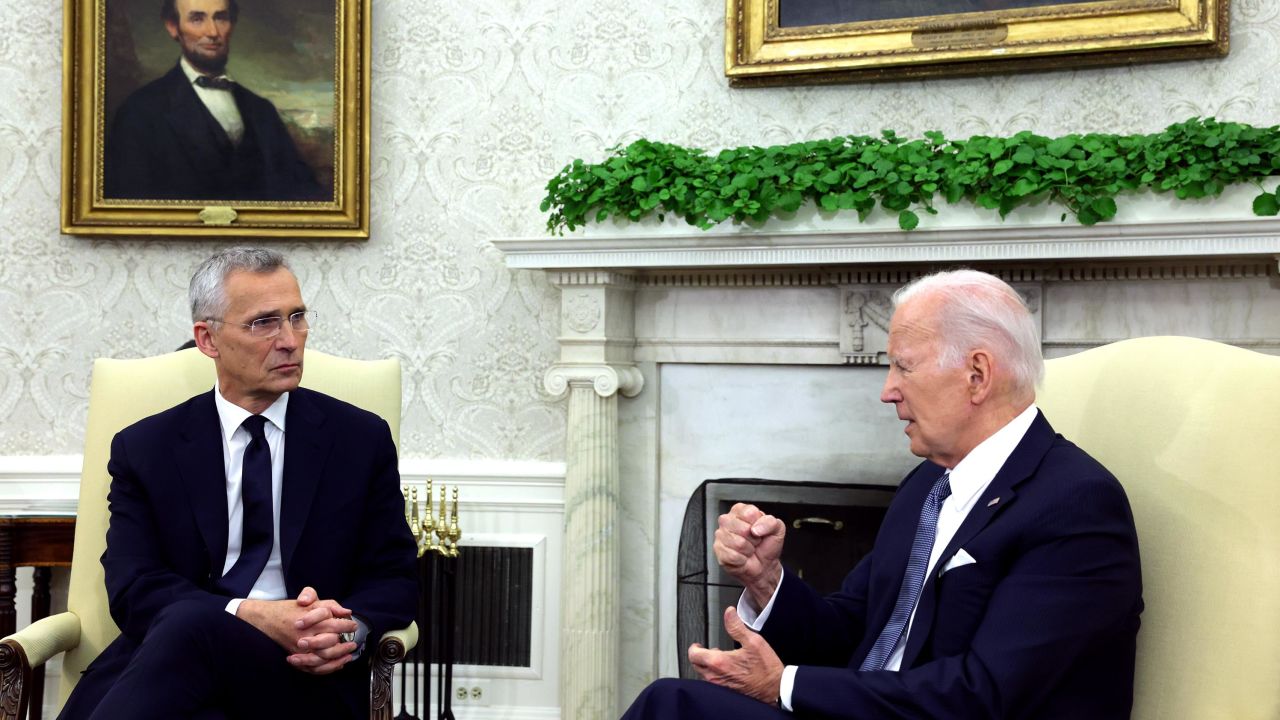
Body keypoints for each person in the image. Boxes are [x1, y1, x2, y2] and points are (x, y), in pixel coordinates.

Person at [622, 269, 1143, 719]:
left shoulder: (1076, 504)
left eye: (904, 366)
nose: (887, 389)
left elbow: (985, 698)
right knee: (675, 708)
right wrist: (766, 581)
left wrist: (783, 685)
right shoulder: (928, 486)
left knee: (672, 707)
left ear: (977, 375)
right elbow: (852, 629)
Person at [58, 248, 417, 719]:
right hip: (172, 663)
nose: (290, 339)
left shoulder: (359, 439)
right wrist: (249, 613)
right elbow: (134, 587)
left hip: (303, 671)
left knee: (188, 626)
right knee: (191, 633)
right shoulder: (146, 448)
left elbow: (394, 576)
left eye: (297, 317)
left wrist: (348, 632)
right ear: (208, 339)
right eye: (263, 323)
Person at [103, 0, 327, 201]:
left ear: (232, 24)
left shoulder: (262, 112)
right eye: (197, 18)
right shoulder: (139, 112)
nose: (212, 32)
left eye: (221, 18)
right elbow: (128, 208)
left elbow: (304, 193)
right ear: (173, 27)